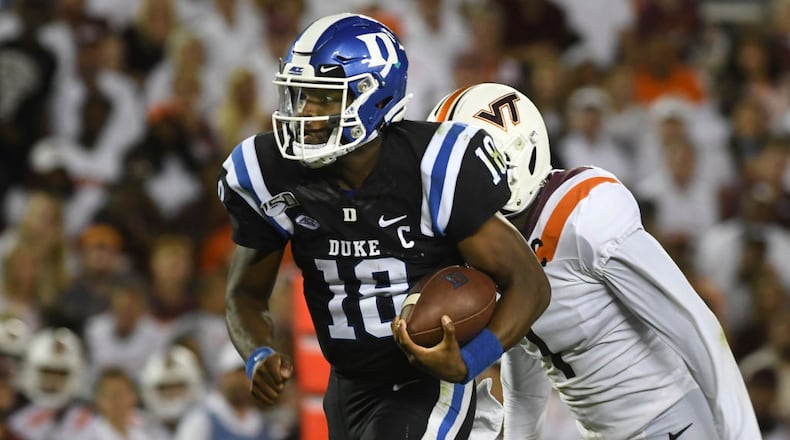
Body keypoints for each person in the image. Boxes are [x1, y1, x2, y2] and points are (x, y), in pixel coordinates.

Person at [216, 13, 550, 440]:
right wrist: (258, 352)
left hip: (427, 381)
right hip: (348, 385)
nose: (306, 113)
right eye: (300, 96)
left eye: (323, 98)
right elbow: (244, 294)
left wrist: (470, 359)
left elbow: (529, 283)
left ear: (373, 98)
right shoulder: (270, 173)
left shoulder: (433, 167)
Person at [428, 82, 760, 439]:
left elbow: (694, 325)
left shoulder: (583, 213)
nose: (448, 191)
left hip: (671, 423)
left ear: (514, 160)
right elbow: (525, 357)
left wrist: (741, 434)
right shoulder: (490, 248)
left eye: (459, 174)